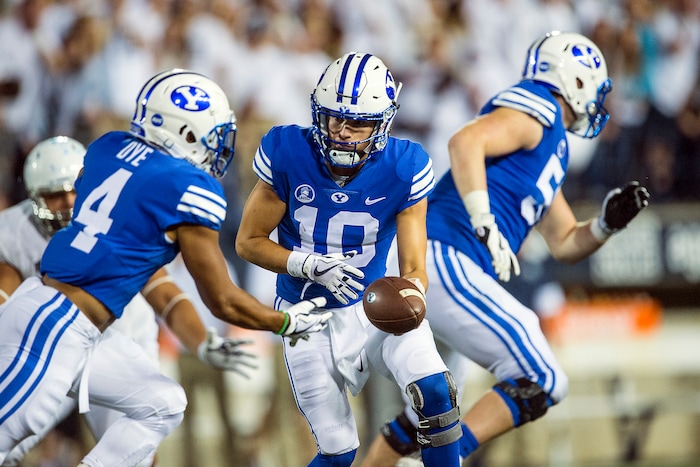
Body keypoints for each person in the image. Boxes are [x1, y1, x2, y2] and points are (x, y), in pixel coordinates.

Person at [0, 69, 329, 467]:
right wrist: (283, 322)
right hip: (55, 326)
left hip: (78, 327)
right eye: (211, 136)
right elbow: (223, 300)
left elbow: (136, 254)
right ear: (185, 133)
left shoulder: (108, 147)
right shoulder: (188, 189)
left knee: (162, 401)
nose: (217, 149)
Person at [361, 31, 651, 465]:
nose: (598, 100)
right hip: (445, 255)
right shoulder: (539, 109)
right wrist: (482, 219)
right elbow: (465, 142)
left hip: (445, 261)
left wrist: (607, 224)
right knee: (543, 376)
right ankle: (447, 459)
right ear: (573, 80)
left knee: (425, 414)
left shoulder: (548, 148)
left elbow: (565, 241)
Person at [235, 52, 462, 467]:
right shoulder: (288, 151)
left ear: (382, 123)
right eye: (332, 118)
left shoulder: (404, 166)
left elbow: (415, 269)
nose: (340, 131)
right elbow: (248, 241)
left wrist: (412, 295)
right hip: (307, 316)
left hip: (373, 306)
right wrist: (309, 265)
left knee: (437, 394)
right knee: (339, 452)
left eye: (355, 122)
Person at [0, 135, 256, 466]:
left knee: (143, 445)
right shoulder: (15, 229)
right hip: (49, 341)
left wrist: (200, 341)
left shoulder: (121, 220)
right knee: (14, 437)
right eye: (53, 196)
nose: (66, 203)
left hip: (116, 343)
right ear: (35, 197)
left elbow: (166, 296)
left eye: (73, 191)